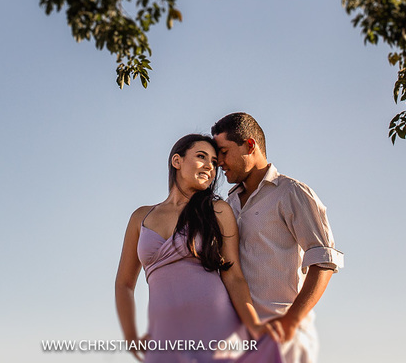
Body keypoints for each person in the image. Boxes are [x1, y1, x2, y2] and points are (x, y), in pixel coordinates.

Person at [115, 134, 283, 362]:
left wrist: (254, 325)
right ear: (177, 161)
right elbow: (124, 284)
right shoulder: (141, 217)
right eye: (201, 157)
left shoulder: (217, 210)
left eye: (214, 162)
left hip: (218, 335)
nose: (210, 167)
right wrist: (130, 335)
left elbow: (233, 277)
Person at [211, 113, 342, 363]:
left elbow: (323, 261)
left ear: (250, 146)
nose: (220, 163)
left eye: (224, 152)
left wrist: (291, 321)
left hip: (283, 341)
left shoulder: (291, 193)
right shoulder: (228, 205)